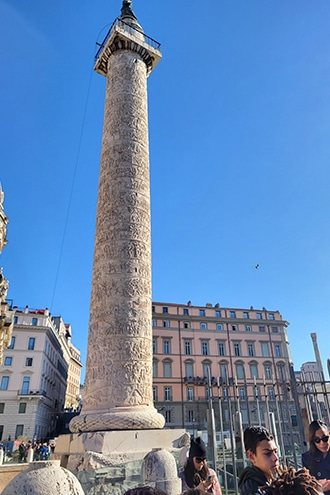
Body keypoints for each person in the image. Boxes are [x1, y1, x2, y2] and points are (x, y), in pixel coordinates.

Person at [238, 426, 279, 495]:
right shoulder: (253, 490)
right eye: (267, 453)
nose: (275, 458)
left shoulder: (270, 482)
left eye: (275, 451)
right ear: (251, 456)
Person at [302, 420, 330, 495]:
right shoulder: (307, 458)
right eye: (317, 440)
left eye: (325, 438)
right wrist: (317, 487)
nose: (322, 443)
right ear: (313, 442)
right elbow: (305, 486)